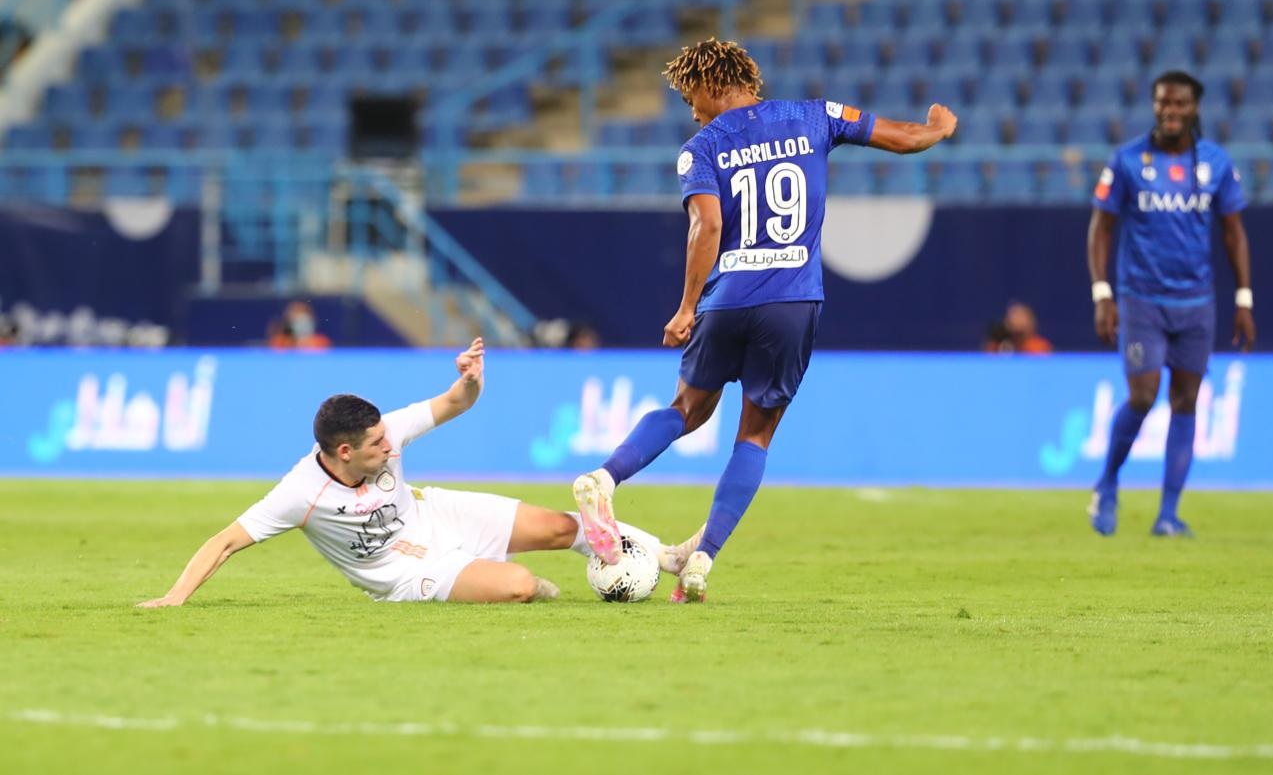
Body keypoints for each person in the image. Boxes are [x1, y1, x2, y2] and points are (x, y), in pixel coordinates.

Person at [572, 37, 958, 602]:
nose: (692, 110)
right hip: (793, 300)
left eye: (690, 97)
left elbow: (705, 227)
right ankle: (701, 562)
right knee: (754, 434)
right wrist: (938, 130)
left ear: (710, 84)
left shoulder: (699, 148)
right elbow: (901, 137)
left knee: (686, 409)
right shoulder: (815, 115)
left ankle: (603, 480)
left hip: (727, 298)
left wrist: (686, 308)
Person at [138, 338, 701, 607]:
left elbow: (455, 402)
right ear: (342, 452)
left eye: (387, 435)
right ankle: (526, 581)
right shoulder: (300, 493)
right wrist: (174, 597)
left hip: (436, 512)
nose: (389, 443)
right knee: (521, 587)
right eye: (376, 443)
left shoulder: (389, 429)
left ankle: (666, 557)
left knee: (560, 526)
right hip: (402, 572)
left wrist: (471, 378)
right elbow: (226, 541)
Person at [1087, 70, 1255, 538]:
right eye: (1164, 102)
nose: (1171, 111)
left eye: (1180, 104)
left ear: (1195, 108)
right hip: (1141, 299)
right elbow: (1100, 229)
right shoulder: (1126, 161)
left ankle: (1168, 515)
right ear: (1155, 104)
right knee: (1142, 395)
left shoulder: (1217, 163)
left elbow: (1234, 232)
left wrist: (1244, 297)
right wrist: (1103, 293)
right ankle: (1107, 483)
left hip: (1197, 302)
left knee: (1186, 402)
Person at [984, 301, 1053, 353]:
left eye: (1022, 317)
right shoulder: (997, 346)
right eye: (1015, 317)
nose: (1018, 322)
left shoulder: (1040, 347)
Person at [267, 300, 332, 351]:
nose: (302, 323)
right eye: (297, 319)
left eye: (304, 318)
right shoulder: (280, 342)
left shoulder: (321, 342)